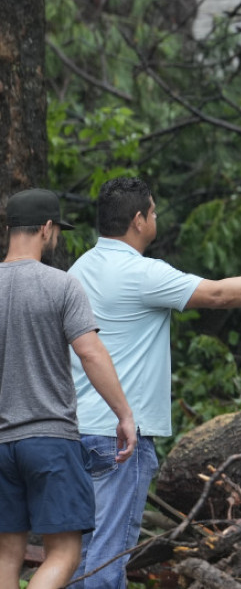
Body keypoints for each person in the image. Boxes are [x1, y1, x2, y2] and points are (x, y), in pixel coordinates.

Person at [68, 177, 241, 589]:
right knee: (106, 561)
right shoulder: (140, 273)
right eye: (154, 212)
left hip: (74, 429)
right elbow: (217, 295)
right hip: (119, 437)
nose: (156, 218)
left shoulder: (78, 270)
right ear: (139, 220)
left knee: (78, 555)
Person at [0, 189, 136, 589]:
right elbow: (90, 353)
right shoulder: (62, 285)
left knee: (7, 552)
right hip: (49, 440)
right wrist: (124, 415)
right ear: (46, 229)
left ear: (10, 229)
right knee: (65, 552)